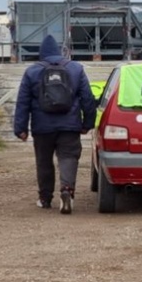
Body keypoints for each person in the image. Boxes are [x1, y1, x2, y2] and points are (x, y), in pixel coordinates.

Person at [13, 35, 97, 214]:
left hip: (42, 128)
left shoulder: (32, 71)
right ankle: (67, 191)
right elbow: (88, 99)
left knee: (44, 162)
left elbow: (23, 102)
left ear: (41, 53)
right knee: (68, 158)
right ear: (60, 51)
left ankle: (45, 199)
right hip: (70, 125)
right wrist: (87, 123)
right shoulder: (76, 69)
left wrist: (20, 128)